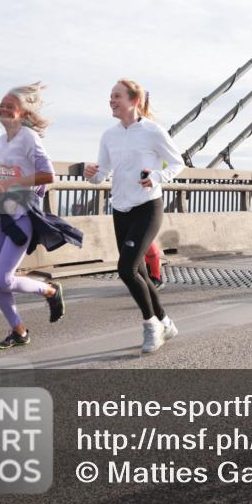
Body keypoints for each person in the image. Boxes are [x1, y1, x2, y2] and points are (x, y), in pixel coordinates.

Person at [0, 82, 81, 349]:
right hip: (2, 215)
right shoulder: (3, 140)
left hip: (23, 215)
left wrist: (11, 184)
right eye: (1, 105)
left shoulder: (28, 137)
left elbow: (48, 175)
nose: (3, 109)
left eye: (9, 106)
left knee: (3, 279)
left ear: (22, 113)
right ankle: (19, 331)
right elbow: (1, 172)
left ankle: (49, 290)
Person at [85, 78, 185, 354]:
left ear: (134, 101)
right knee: (138, 270)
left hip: (147, 207)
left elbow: (177, 163)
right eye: (110, 96)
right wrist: (92, 175)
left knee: (126, 269)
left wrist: (157, 176)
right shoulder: (109, 135)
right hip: (121, 208)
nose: (111, 100)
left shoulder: (153, 132)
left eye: (116, 96)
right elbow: (103, 173)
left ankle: (151, 325)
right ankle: (165, 321)